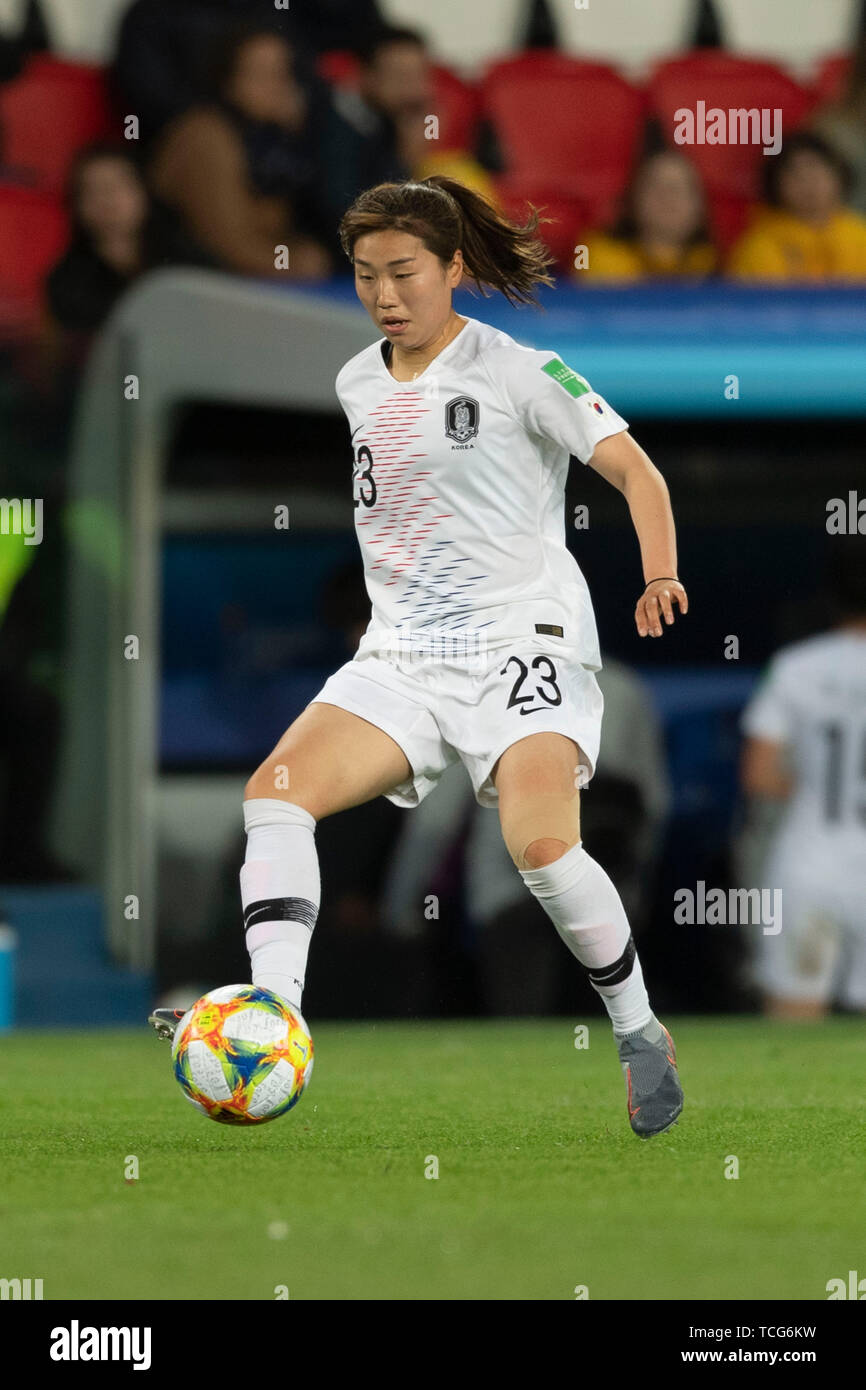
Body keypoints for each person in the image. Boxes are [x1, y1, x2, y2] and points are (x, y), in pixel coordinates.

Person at [149, 175, 689, 1139]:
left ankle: (641, 1032)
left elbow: (634, 469)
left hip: (524, 640)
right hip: (403, 655)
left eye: (404, 272)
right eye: (365, 276)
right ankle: (274, 1020)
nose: (385, 294)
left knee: (542, 848)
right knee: (275, 794)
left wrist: (659, 573)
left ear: (452, 268)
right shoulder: (357, 381)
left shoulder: (522, 369)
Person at [738, 537, 866, 1019]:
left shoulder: (797, 667)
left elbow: (760, 774)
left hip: (812, 862)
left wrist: (819, 789)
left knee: (794, 1022)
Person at [146, 27, 333, 280]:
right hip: (190, 287)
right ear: (227, 81)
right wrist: (299, 264)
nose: (278, 86)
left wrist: (304, 137)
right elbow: (228, 246)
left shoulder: (272, 139)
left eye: (284, 73)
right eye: (261, 74)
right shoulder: (205, 135)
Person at [44, 144, 209, 346]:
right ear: (77, 204)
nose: (107, 199)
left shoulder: (189, 264)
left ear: (144, 191)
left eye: (117, 185)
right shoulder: (66, 282)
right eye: (92, 190)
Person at [727, 132, 866, 282]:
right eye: (795, 174)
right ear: (775, 185)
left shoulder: (860, 236)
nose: (808, 183)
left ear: (838, 175)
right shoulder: (758, 249)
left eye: (815, 170)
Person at [580, 150, 717, 282]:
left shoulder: (712, 263)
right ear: (634, 197)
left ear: (700, 205)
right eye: (656, 186)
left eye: (679, 189)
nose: (668, 198)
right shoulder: (603, 255)